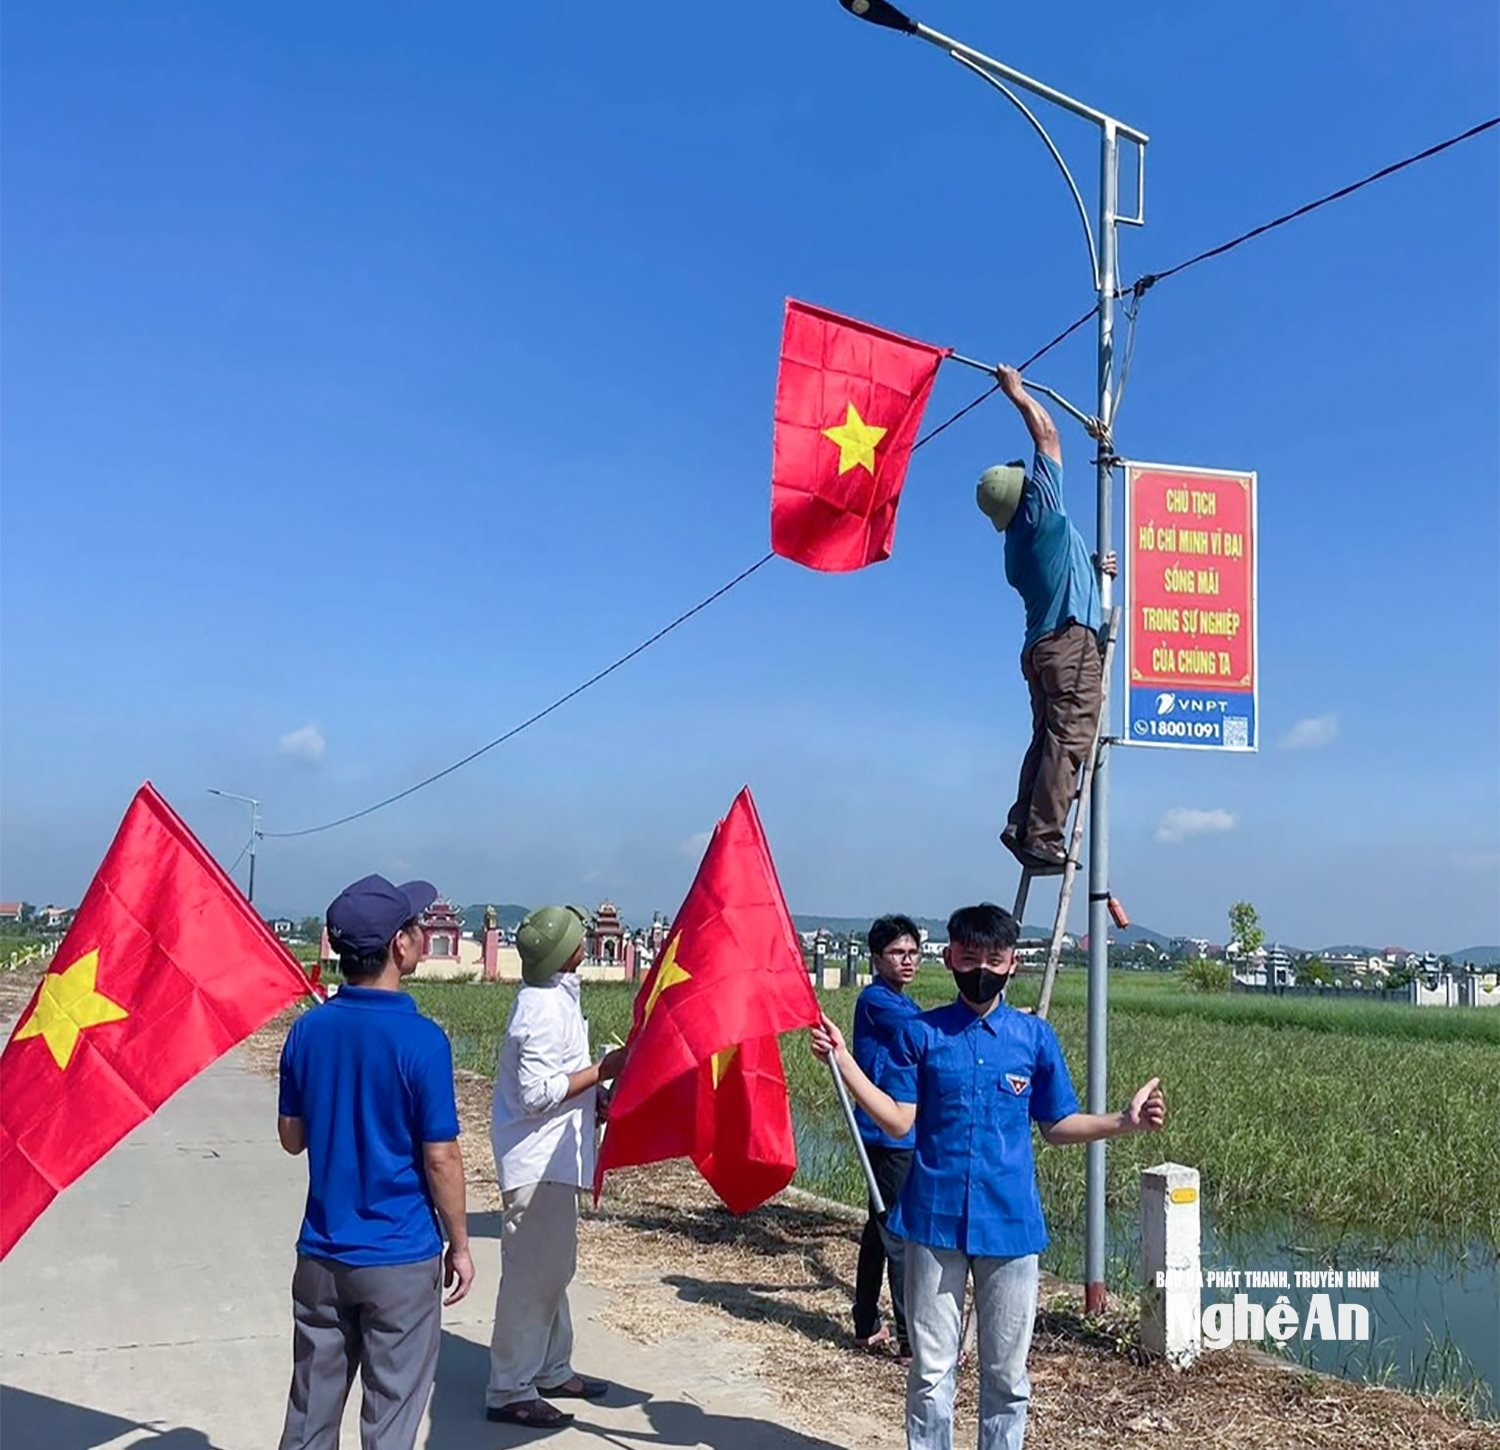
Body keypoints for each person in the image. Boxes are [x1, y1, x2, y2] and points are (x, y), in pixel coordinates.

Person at [812, 902, 1166, 1450]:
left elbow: (1057, 1124)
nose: (981, 968)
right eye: (969, 956)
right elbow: (899, 1119)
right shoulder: (922, 1035)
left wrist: (1124, 1121)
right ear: (950, 958)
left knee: (1006, 1377)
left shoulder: (1033, 1038)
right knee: (931, 1372)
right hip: (933, 1221)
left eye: (994, 959)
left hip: (1010, 1225)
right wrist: (844, 1062)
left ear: (1012, 964)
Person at [277, 873, 473, 1450]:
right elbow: (441, 1158)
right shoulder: (422, 1041)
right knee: (390, 1421)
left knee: (309, 1417)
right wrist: (460, 1245)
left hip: (321, 1254)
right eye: (415, 925)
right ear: (399, 945)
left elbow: (291, 1138)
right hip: (399, 1255)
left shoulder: (307, 1031)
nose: (419, 933)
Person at [486, 905, 627, 1430]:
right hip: (537, 1161)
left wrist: (594, 1099)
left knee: (552, 1269)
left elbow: (562, 1079)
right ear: (568, 952)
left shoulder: (556, 995)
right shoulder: (541, 1008)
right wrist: (602, 1070)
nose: (585, 940)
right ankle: (509, 1388)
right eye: (578, 936)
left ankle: (550, 1367)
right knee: (533, 1276)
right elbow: (535, 1093)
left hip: (555, 1157)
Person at [977, 365, 1117, 874]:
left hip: (1041, 647)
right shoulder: (1041, 513)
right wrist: (1017, 394)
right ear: (1025, 495)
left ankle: (1023, 824)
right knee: (1072, 734)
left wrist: (1094, 569)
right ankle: (1044, 836)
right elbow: (1049, 436)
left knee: (1046, 739)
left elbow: (1063, 571)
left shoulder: (1018, 545)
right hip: (1068, 642)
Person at [850, 913, 924, 1363]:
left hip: (893, 1131)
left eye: (913, 952)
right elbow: (924, 1031)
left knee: (879, 1229)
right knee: (899, 1233)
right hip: (888, 1134)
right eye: (897, 953)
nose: (907, 960)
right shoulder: (877, 1000)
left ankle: (866, 1324)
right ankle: (911, 1339)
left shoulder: (898, 1000)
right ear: (877, 958)